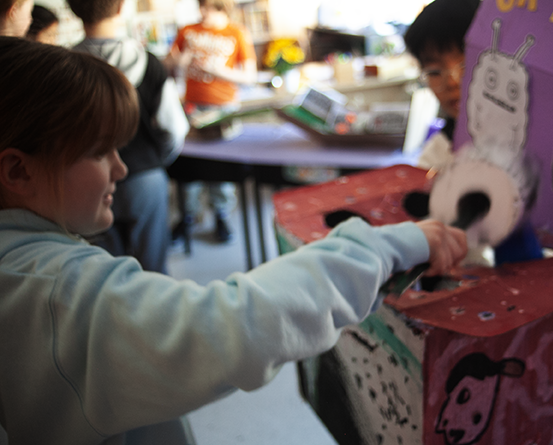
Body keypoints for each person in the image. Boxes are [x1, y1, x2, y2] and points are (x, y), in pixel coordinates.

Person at [0, 37, 467, 445]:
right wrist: (387, 246)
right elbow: (235, 324)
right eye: (99, 152)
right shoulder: (53, 290)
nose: (120, 168)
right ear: (18, 170)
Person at [67, 0, 190, 274]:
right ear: (122, 7)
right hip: (144, 177)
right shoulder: (148, 62)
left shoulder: (65, 67)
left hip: (88, 181)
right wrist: (156, 159)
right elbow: (175, 128)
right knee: (154, 272)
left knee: (108, 273)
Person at [164, 0, 258, 244]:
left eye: (208, 7)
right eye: (201, 6)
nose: (203, 12)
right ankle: (186, 216)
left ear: (221, 7)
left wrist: (218, 71)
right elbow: (167, 64)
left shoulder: (237, 32)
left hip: (223, 108)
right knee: (190, 167)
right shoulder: (187, 31)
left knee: (220, 169)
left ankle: (221, 216)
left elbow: (249, 76)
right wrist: (178, 62)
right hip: (191, 107)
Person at [403, 0, 480, 171]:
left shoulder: (538, 144)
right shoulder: (436, 160)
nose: (452, 82)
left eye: (466, 65)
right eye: (434, 72)